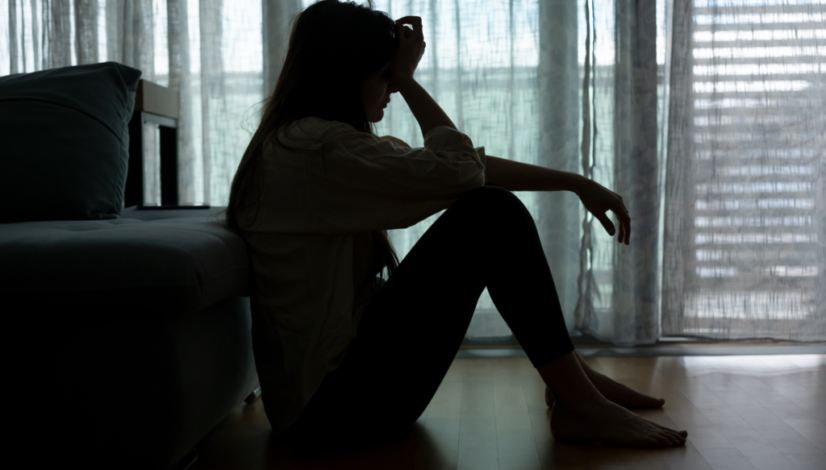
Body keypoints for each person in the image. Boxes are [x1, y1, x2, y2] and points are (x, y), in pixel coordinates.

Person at [225, 0, 688, 449]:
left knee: (488, 209)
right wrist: (409, 82)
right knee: (490, 214)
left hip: (329, 401)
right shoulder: (318, 150)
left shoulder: (312, 145)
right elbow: (464, 171)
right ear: (350, 71)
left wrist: (574, 182)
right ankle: (577, 398)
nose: (389, 88)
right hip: (331, 411)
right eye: (385, 74)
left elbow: (465, 169)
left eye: (393, 75)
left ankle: (573, 383)